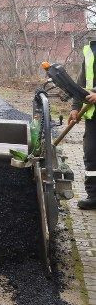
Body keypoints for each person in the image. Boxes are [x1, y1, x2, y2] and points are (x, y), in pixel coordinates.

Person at [68, 38, 96, 209]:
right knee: (91, 155)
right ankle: (93, 196)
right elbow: (81, 83)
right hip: (93, 117)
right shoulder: (90, 50)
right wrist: (75, 107)